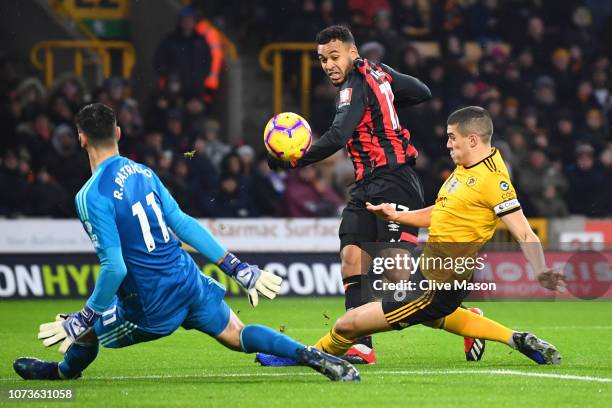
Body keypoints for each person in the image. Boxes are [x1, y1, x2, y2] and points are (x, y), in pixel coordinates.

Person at [12, 103, 359, 382]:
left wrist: (83, 317)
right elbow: (181, 223)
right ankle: (309, 353)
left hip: (149, 306)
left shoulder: (90, 195)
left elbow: (114, 267)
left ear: (81, 139)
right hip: (187, 279)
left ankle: (61, 373)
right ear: (118, 133)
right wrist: (236, 268)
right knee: (238, 334)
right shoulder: (143, 171)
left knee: (83, 332)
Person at [313, 106, 563, 365]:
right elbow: (441, 212)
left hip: (438, 284)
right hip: (430, 269)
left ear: (473, 140)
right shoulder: (467, 166)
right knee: (432, 315)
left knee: (347, 325)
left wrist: (540, 267)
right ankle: (516, 339)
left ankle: (302, 356)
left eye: (453, 137)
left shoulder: (492, 180)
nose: (447, 144)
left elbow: (523, 230)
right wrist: (397, 216)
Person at [267, 25, 433, 364]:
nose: (328, 65)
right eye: (322, 59)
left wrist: (294, 159)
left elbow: (338, 135)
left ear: (352, 53)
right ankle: (362, 343)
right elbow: (420, 91)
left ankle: (460, 310)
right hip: (365, 185)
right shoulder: (377, 72)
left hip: (396, 180)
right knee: (351, 259)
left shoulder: (354, 83)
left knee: (397, 275)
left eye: (333, 56)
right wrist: (383, 98)